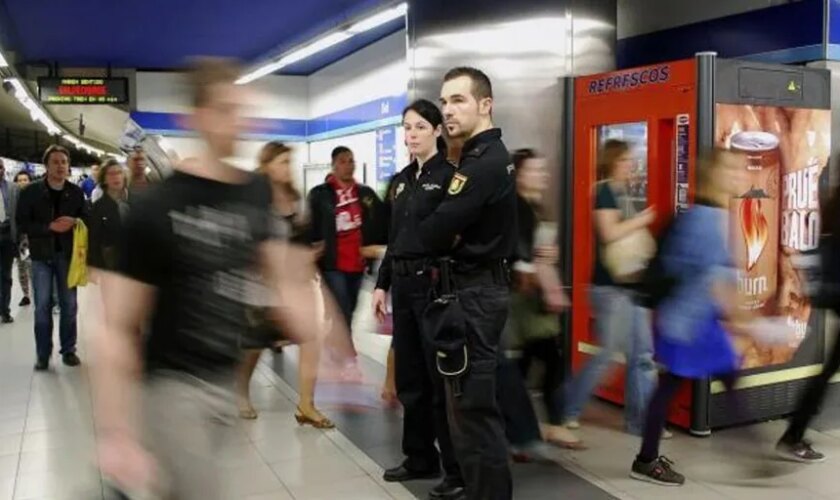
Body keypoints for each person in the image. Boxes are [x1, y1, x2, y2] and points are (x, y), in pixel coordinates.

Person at [91, 58, 341, 500]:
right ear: (198, 117)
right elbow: (118, 326)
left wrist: (329, 334)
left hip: (221, 374)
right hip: (171, 386)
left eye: (243, 108)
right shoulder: (157, 207)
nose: (240, 120)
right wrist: (116, 432)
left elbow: (284, 270)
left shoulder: (252, 192)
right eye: (226, 109)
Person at [630, 149, 764, 485]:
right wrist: (749, 322)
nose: (738, 175)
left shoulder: (706, 215)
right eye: (730, 169)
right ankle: (751, 456)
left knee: (698, 383)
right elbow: (717, 284)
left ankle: (649, 457)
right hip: (689, 324)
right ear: (712, 175)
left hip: (690, 320)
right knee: (699, 384)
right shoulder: (707, 220)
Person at [417, 67, 516, 500]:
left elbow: (436, 229)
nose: (448, 109)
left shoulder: (485, 162)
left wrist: (442, 228)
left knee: (474, 413)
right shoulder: (478, 158)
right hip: (471, 290)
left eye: (458, 100)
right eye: (444, 101)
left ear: (485, 104)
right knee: (464, 409)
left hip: (476, 294)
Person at [371, 99, 464, 499]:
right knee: (410, 379)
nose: (411, 135)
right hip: (404, 289)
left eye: (420, 127)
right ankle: (419, 455)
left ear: (437, 131)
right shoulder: (401, 181)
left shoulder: (449, 177)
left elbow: (458, 236)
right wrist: (381, 284)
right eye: (407, 128)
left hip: (433, 287)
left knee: (438, 380)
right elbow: (395, 242)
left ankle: (455, 469)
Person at [563, 139, 659, 437]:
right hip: (609, 288)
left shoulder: (621, 192)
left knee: (642, 354)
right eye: (626, 160)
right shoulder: (604, 191)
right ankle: (568, 409)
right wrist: (642, 220)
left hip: (630, 287)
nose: (631, 165)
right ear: (613, 162)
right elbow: (608, 233)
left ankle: (641, 421)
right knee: (606, 354)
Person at [237, 140, 334, 429]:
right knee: (253, 347)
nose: (287, 168)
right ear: (266, 166)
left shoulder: (297, 199)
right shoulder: (255, 203)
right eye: (281, 162)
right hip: (260, 289)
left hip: (294, 288)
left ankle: (306, 404)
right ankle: (240, 393)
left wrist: (310, 257)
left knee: (311, 338)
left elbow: (302, 238)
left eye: (288, 162)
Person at [506, 148, 582, 449]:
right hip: (522, 298)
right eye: (536, 170)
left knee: (525, 364)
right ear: (520, 174)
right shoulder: (515, 208)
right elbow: (519, 258)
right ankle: (548, 426)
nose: (543, 175)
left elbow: (542, 252)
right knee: (549, 360)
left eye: (543, 169)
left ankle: (520, 431)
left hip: (537, 295)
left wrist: (549, 260)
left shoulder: (539, 207)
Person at [308, 145, 386, 379]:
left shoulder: (365, 194)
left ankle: (334, 343)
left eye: (351, 160)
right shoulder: (320, 194)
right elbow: (312, 227)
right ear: (333, 164)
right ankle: (349, 359)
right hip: (332, 264)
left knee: (348, 310)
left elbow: (381, 221)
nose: (348, 165)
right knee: (342, 309)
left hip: (358, 264)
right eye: (343, 161)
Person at [16, 145, 87, 370]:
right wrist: (49, 227)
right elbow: (23, 223)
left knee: (69, 304)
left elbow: (86, 220)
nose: (60, 166)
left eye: (64, 162)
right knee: (42, 307)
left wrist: (75, 222)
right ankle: (43, 354)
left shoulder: (76, 193)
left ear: (68, 166)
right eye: (55, 162)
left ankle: (68, 350)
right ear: (46, 166)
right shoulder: (30, 192)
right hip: (40, 257)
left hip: (67, 257)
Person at [88, 159, 128, 273]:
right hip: (110, 267)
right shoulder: (98, 207)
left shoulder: (132, 203)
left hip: (132, 267)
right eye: (111, 174)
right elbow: (94, 241)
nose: (116, 177)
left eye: (119, 173)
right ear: (104, 179)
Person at [0, 159, 17, 323]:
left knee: (6, 275)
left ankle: (5, 310)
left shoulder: (12, 188)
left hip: (7, 235)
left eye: (0, 167)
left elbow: (17, 213)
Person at [12, 170, 32, 307]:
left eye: (25, 179)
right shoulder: (13, 198)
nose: (22, 182)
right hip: (20, 239)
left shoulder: (35, 196)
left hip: (35, 238)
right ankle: (26, 295)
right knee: (21, 267)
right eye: (20, 180)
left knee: (34, 267)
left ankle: (38, 293)